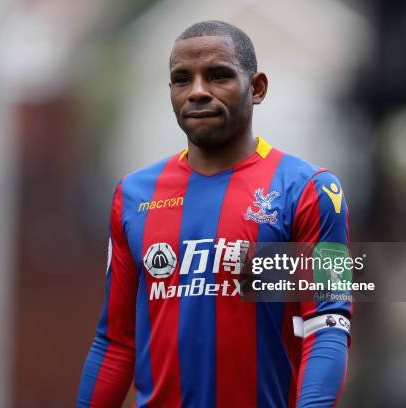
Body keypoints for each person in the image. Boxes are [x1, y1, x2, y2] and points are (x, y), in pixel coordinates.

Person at [78, 20, 352, 408]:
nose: (198, 92)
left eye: (218, 76)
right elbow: (116, 341)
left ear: (256, 88)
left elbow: (327, 325)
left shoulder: (310, 191)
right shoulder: (134, 195)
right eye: (181, 79)